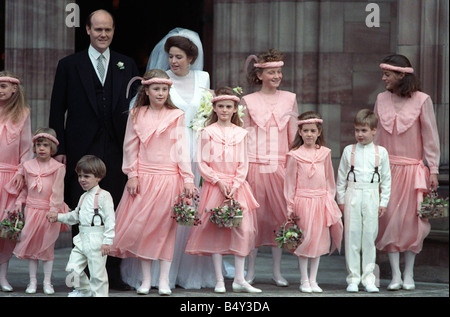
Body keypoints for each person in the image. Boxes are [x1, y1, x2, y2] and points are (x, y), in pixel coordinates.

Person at [48, 9, 139, 290]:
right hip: (80, 148)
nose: (103, 34)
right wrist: (59, 147)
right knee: (83, 208)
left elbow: (138, 110)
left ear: (113, 31)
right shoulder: (68, 65)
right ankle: (82, 276)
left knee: (112, 210)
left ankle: (112, 273)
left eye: (108, 30)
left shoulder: (127, 64)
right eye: (98, 29)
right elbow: (56, 109)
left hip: (116, 148)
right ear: (87, 29)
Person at [123, 28, 216, 290]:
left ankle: (183, 274)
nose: (173, 61)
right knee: (155, 218)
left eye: (178, 57)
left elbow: (208, 113)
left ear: (191, 57)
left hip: (194, 152)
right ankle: (153, 275)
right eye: (171, 56)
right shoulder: (160, 83)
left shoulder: (203, 78)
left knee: (185, 214)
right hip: (160, 154)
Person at [110, 69, 195, 296]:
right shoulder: (137, 113)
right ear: (146, 90)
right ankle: (146, 280)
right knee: (146, 230)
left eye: (164, 89)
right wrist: (132, 175)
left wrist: (187, 178)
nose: (160, 93)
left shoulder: (176, 115)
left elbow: (181, 148)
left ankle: (164, 280)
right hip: (145, 177)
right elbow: (130, 146)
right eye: (156, 89)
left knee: (165, 230)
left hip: (169, 177)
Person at [185, 87, 261, 294]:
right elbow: (203, 162)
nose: (225, 110)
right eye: (221, 106)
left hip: (237, 188)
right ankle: (219, 280)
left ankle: (239, 278)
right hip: (215, 187)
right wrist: (218, 181)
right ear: (215, 108)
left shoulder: (241, 133)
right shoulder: (207, 132)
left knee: (242, 229)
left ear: (235, 109)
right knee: (215, 232)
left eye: (229, 106)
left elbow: (244, 162)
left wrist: (235, 184)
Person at [374, 54, 440, 291]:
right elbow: (376, 136)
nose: (383, 79)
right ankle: (395, 275)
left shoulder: (423, 100)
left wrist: (432, 169)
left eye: (387, 74)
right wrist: (374, 166)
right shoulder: (381, 99)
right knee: (389, 220)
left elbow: (431, 138)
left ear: (401, 75)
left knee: (413, 223)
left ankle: (409, 273)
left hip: (413, 170)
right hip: (387, 169)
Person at [242, 49, 298, 286]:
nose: (277, 76)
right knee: (252, 219)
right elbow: (243, 136)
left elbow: (293, 135)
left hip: (280, 166)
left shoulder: (289, 98)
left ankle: (277, 271)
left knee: (279, 218)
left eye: (279, 72)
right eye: (272, 72)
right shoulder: (248, 101)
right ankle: (250, 271)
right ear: (261, 74)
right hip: (254, 164)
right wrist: (241, 169)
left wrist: (295, 167)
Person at [284, 111, 343, 293]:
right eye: (306, 130)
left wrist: (329, 199)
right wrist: (290, 206)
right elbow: (289, 183)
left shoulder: (324, 154)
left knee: (318, 241)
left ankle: (313, 279)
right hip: (302, 201)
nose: (309, 134)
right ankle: (304, 280)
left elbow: (329, 180)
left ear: (319, 132)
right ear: (300, 132)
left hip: (320, 201)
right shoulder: (295, 155)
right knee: (304, 241)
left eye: (313, 131)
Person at [336, 109, 391, 293]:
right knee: (352, 236)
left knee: (369, 237)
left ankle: (368, 278)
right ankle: (352, 278)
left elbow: (386, 179)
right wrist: (341, 200)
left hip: (372, 194)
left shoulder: (381, 152)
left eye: (364, 130)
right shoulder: (348, 151)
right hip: (353, 193)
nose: (360, 134)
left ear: (374, 130)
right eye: (357, 130)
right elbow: (341, 177)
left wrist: (383, 202)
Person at [9, 128, 68, 295]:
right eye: (39, 145)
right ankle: (32, 281)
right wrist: (20, 202)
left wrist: (54, 210)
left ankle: (47, 282)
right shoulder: (28, 166)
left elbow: (57, 191)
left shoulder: (57, 167)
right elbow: (25, 189)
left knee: (47, 248)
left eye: (46, 146)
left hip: (48, 211)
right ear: (34, 147)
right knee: (32, 248)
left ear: (52, 149)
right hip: (32, 210)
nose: (42, 148)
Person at [48, 155, 115, 297]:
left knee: (97, 275)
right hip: (82, 238)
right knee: (73, 268)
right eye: (80, 176)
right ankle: (85, 291)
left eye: (87, 176)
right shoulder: (83, 197)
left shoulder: (103, 196)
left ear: (98, 177)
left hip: (97, 238)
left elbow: (110, 220)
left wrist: (107, 241)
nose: (82, 179)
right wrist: (58, 217)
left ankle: (100, 295)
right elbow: (75, 217)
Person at [0, 72, 32, 293]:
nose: (0, 90)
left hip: (10, 179)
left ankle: (3, 276)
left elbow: (26, 148)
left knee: (6, 230)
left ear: (14, 89)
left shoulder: (22, 114)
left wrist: (22, 172)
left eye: (3, 86)